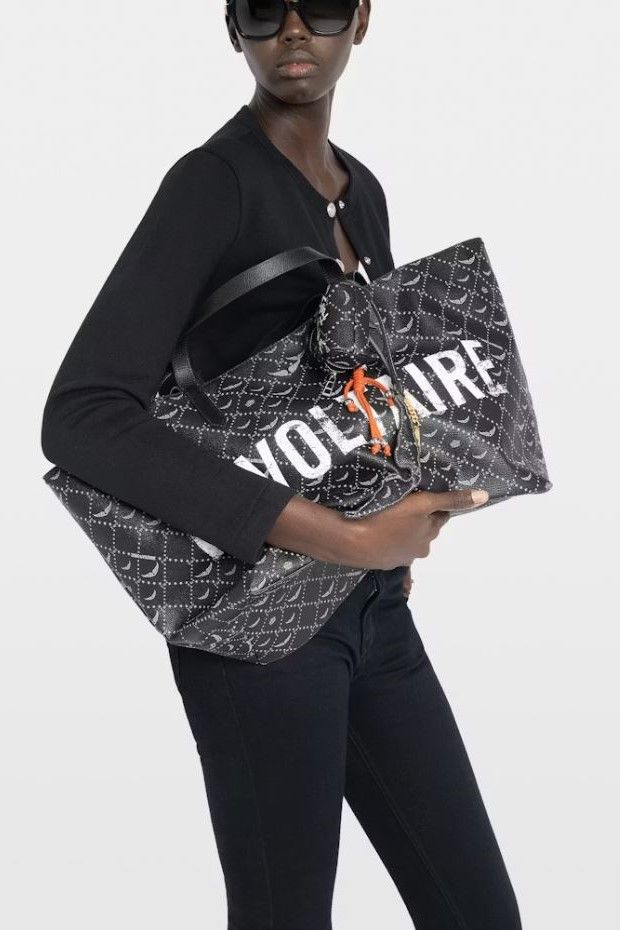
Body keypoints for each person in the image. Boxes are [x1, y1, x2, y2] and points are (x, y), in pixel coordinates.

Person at [40, 2, 523, 927]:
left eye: (323, 7)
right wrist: (340, 536)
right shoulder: (212, 185)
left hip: (373, 613)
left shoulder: (360, 191)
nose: (294, 31)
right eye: (265, 9)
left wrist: (404, 506)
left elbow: (358, 386)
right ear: (233, 27)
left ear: (363, 20)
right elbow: (82, 416)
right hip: (254, 631)